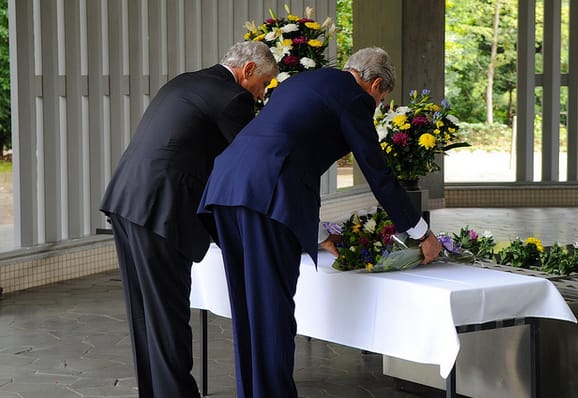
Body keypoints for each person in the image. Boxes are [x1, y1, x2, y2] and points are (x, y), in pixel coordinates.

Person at [197, 47, 443, 398]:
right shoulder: (354, 98)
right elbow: (378, 173)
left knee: (248, 307)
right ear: (374, 85)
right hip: (268, 196)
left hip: (226, 188)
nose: (377, 106)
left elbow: (286, 140)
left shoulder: (308, 80)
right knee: (272, 309)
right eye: (381, 98)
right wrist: (422, 233)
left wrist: (316, 234)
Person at [99, 41, 278, 397]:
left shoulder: (187, 81)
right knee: (168, 319)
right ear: (248, 72)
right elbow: (252, 164)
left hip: (127, 200)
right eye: (264, 84)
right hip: (160, 210)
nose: (262, 95)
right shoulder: (233, 98)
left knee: (145, 315)